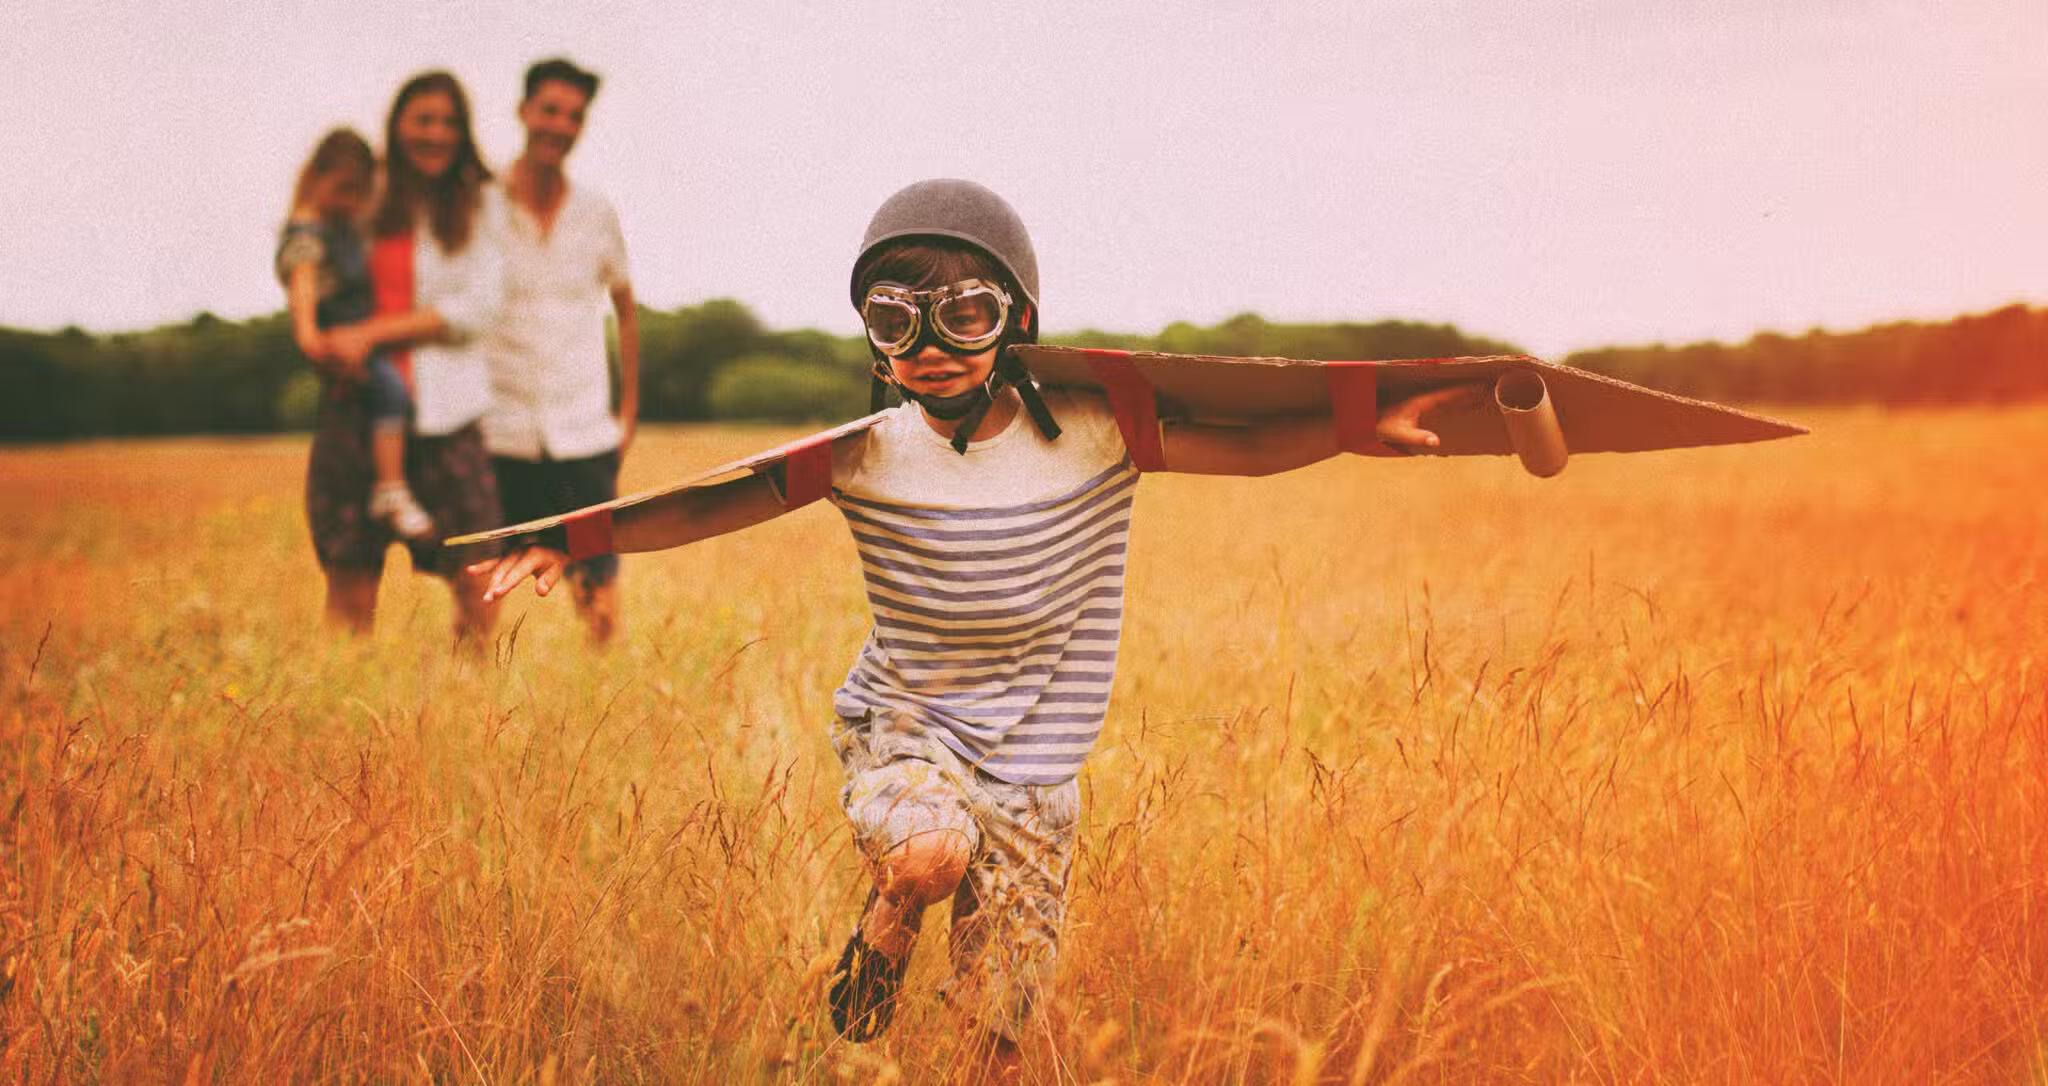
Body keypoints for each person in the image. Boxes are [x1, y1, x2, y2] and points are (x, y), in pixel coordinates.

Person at [469, 180, 1477, 1075]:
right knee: (927, 857)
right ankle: (885, 926)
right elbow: (710, 504)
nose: (930, 351)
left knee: (999, 1035)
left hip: (1035, 762)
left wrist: (1353, 426)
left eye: (963, 316)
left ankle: (920, 986)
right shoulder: (863, 454)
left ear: (1015, 319)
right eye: (895, 322)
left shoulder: (1097, 429)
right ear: (871, 334)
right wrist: (576, 539)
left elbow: (1244, 449)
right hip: (907, 727)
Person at [309, 71, 509, 641]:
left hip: (450, 412)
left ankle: (468, 714)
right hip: (359, 409)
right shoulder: (364, 201)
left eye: (449, 122)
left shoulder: (481, 206)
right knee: (350, 576)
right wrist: (321, 337)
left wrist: (373, 332)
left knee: (478, 574)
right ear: (397, 126)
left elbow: (479, 305)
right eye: (423, 120)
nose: (436, 134)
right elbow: (320, 271)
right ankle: (340, 718)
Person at [481, 57, 640, 645]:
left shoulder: (596, 210)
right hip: (497, 428)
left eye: (575, 116)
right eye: (550, 110)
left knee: (597, 586)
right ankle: (462, 713)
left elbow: (625, 309)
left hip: (582, 431)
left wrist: (626, 417)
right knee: (482, 587)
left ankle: (606, 707)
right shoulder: (480, 204)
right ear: (524, 111)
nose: (561, 125)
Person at [277, 128, 436, 542]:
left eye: (358, 192)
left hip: (360, 335)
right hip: (340, 340)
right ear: (316, 176)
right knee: (392, 394)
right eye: (344, 189)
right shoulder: (307, 232)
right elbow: (304, 284)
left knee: (393, 395)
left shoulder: (343, 222)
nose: (351, 201)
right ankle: (391, 488)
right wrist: (310, 337)